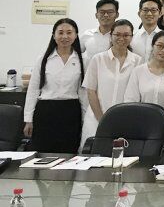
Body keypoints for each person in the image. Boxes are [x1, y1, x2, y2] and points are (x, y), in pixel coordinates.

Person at [24, 18, 85, 153]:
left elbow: (83, 93)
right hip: (46, 111)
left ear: (76, 35)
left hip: (71, 111)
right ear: (54, 35)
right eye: (60, 32)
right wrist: (28, 119)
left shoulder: (82, 60)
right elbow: (33, 90)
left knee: (68, 152)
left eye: (69, 32)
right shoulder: (43, 59)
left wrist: (85, 120)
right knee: (43, 152)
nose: (65, 36)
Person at [81, 19, 143, 148]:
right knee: (92, 155)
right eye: (117, 34)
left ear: (131, 37)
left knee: (120, 155)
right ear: (111, 35)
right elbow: (91, 91)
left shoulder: (138, 61)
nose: (121, 38)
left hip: (124, 121)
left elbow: (138, 94)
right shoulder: (98, 59)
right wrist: (102, 120)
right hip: (96, 119)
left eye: (126, 35)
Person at [124, 30, 164, 121]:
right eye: (160, 46)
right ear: (153, 46)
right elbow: (130, 100)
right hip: (140, 122)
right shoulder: (138, 71)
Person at [131, 0, 164, 64]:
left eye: (153, 10)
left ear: (160, 13)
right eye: (145, 10)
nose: (149, 14)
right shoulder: (131, 37)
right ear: (139, 13)